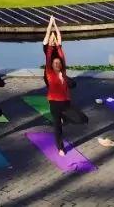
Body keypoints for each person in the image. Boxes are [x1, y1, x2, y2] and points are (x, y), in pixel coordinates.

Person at [42, 17, 86, 155]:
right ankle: (60, 147)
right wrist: (51, 25)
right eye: (55, 63)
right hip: (54, 99)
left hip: (65, 100)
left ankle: (64, 117)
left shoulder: (63, 69)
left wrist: (56, 27)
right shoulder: (49, 64)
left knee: (82, 119)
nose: (57, 64)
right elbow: (50, 55)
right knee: (57, 125)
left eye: (58, 63)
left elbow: (60, 48)